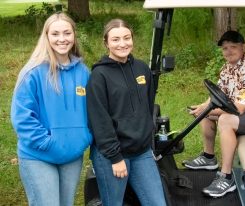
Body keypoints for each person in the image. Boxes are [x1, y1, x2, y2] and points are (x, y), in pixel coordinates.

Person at [183, 30, 245, 198]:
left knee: (226, 120)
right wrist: (201, 107)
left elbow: (238, 109)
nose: (228, 51)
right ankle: (209, 157)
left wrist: (208, 109)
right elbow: (217, 96)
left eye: (233, 47)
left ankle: (226, 177)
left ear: (244, 47)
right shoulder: (227, 68)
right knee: (206, 114)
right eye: (225, 48)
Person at [10, 12, 92, 206]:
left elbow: (93, 111)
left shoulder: (84, 72)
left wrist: (84, 138)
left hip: (72, 155)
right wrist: (47, 143)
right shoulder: (32, 72)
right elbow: (22, 117)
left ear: (74, 35)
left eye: (67, 33)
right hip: (39, 156)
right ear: (46, 37)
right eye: (55, 34)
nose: (62, 39)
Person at [86, 19, 166, 206]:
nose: (122, 43)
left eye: (126, 37)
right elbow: (99, 120)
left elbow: (147, 107)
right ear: (106, 43)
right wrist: (115, 157)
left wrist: (147, 138)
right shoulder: (99, 76)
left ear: (132, 39)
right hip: (112, 154)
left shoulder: (142, 69)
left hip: (142, 152)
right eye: (115, 39)